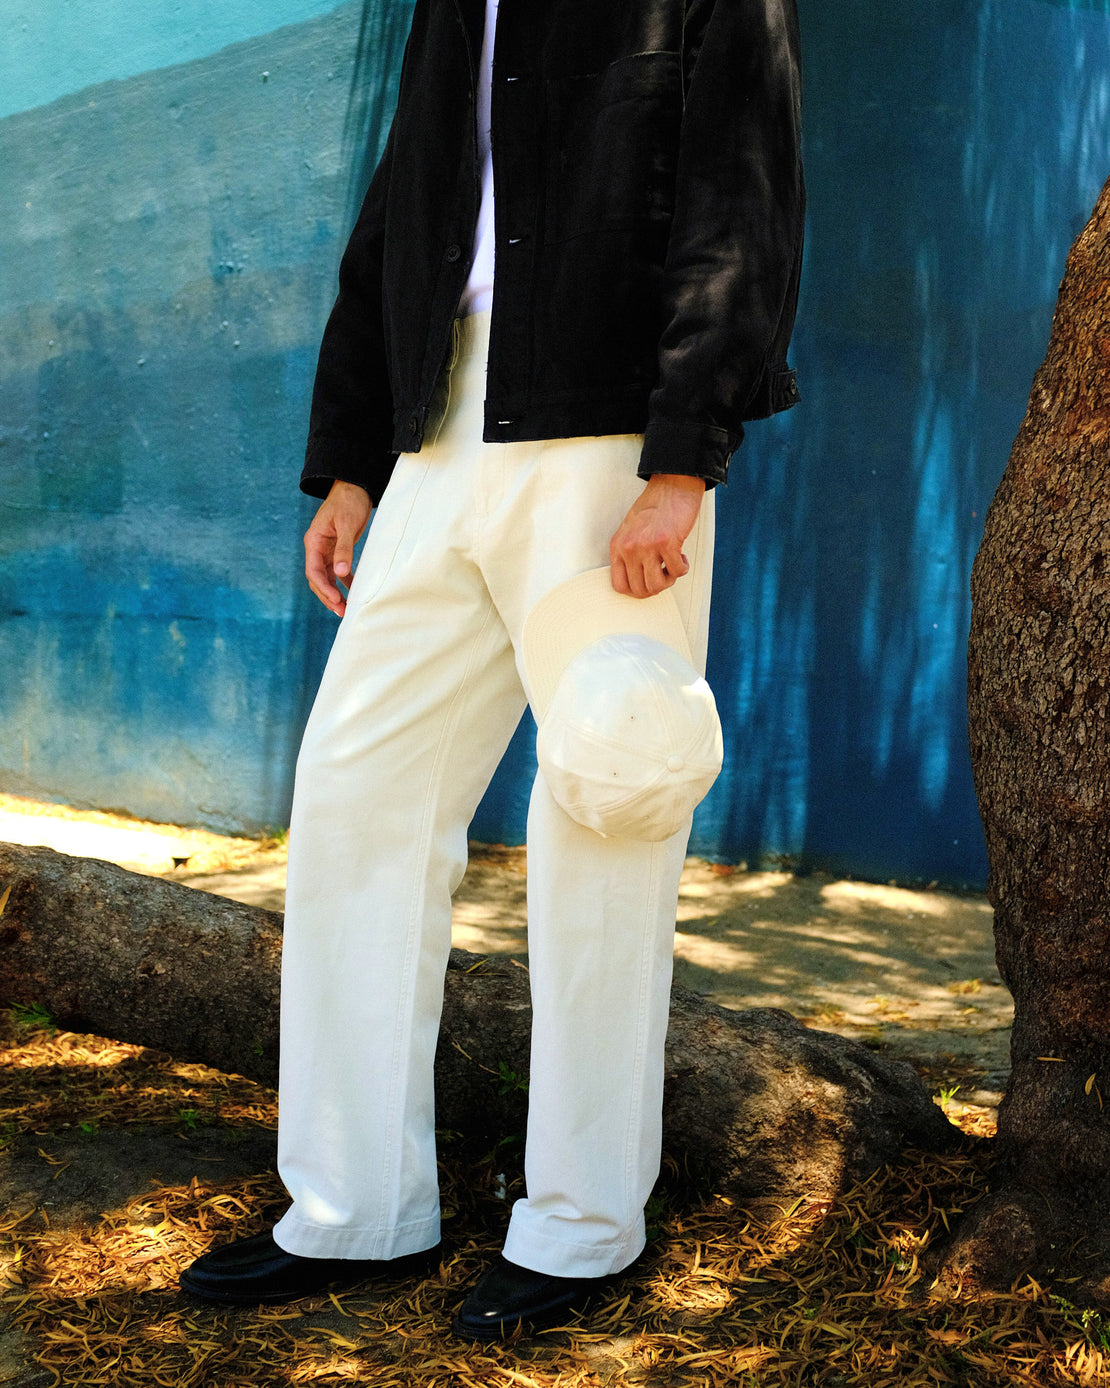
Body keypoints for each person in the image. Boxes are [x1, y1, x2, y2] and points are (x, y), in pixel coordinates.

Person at [181, 0, 804, 1340]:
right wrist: (353, 458)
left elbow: (740, 193)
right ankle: (353, 1209)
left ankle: (581, 1227)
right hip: (437, 435)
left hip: (607, 445)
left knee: (608, 807)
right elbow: (401, 204)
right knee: (356, 801)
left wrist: (682, 460)